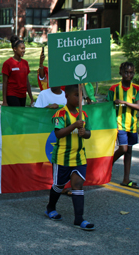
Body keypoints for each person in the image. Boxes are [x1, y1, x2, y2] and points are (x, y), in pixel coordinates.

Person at [46, 84, 94, 231]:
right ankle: (50, 207)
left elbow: (89, 133)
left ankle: (79, 219)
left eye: (81, 95)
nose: (79, 98)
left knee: (78, 185)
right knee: (59, 186)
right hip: (62, 158)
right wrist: (74, 126)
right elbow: (58, 134)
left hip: (79, 158)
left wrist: (83, 133)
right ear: (66, 96)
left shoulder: (83, 114)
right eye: (76, 95)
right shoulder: (60, 114)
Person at [107, 62, 139, 189]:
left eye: (131, 72)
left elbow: (138, 106)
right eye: (126, 72)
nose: (129, 75)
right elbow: (107, 105)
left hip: (132, 125)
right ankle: (106, 166)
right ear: (121, 72)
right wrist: (114, 103)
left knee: (129, 152)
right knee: (123, 148)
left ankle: (126, 179)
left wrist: (123, 102)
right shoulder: (114, 88)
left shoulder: (137, 88)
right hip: (119, 124)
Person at [1, 35, 34, 107]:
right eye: (21, 48)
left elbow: (27, 82)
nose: (24, 50)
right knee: (16, 115)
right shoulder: (7, 63)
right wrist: (4, 101)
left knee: (20, 115)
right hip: (12, 95)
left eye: (24, 48)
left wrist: (31, 98)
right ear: (15, 49)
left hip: (23, 95)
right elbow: (5, 83)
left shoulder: (25, 63)